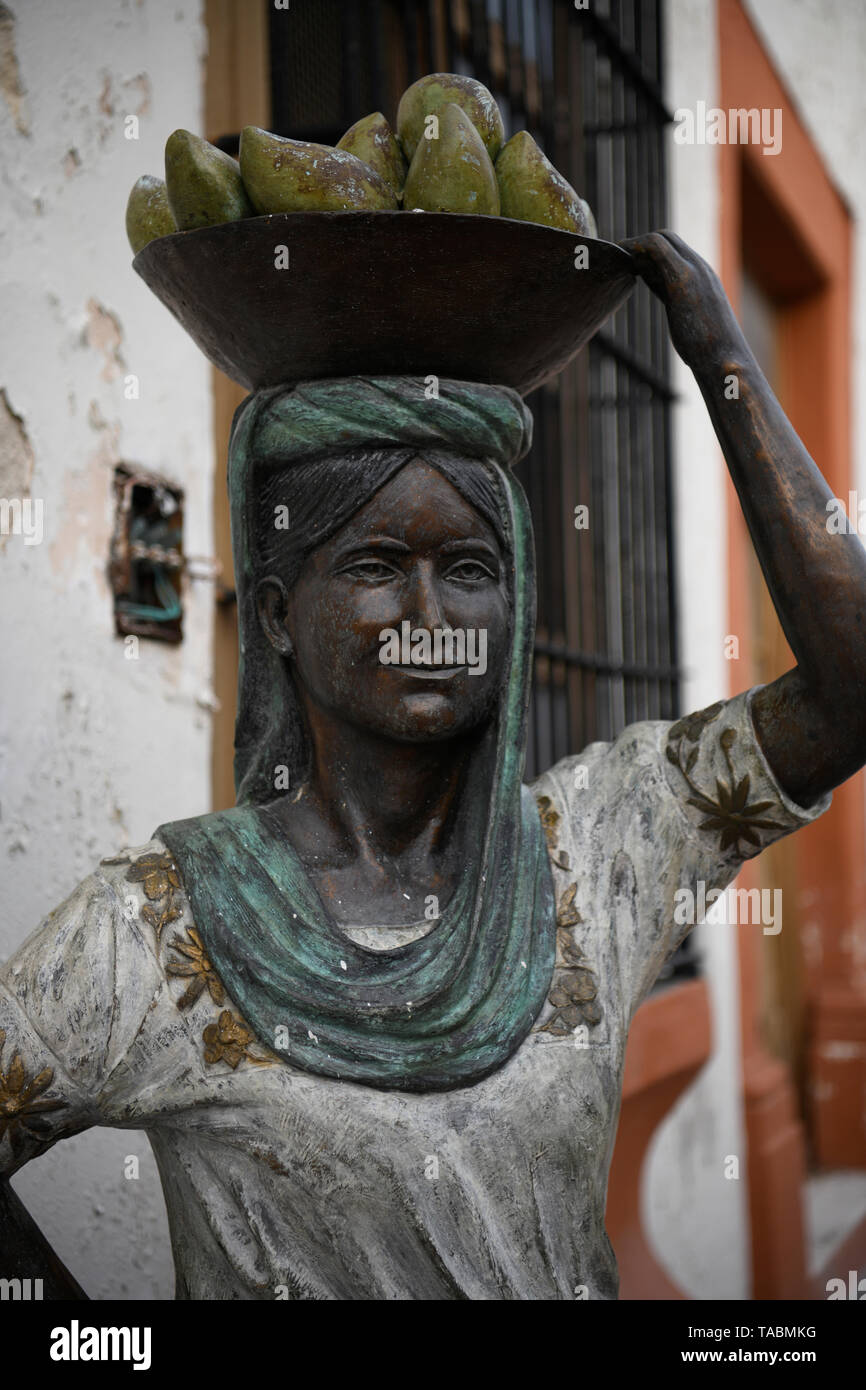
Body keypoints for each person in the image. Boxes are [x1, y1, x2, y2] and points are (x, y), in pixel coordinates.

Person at [1, 233, 864, 1300]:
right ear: (275, 614)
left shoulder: (594, 854)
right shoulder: (162, 926)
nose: (427, 617)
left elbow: (847, 690)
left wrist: (719, 358)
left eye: (466, 570)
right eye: (373, 566)